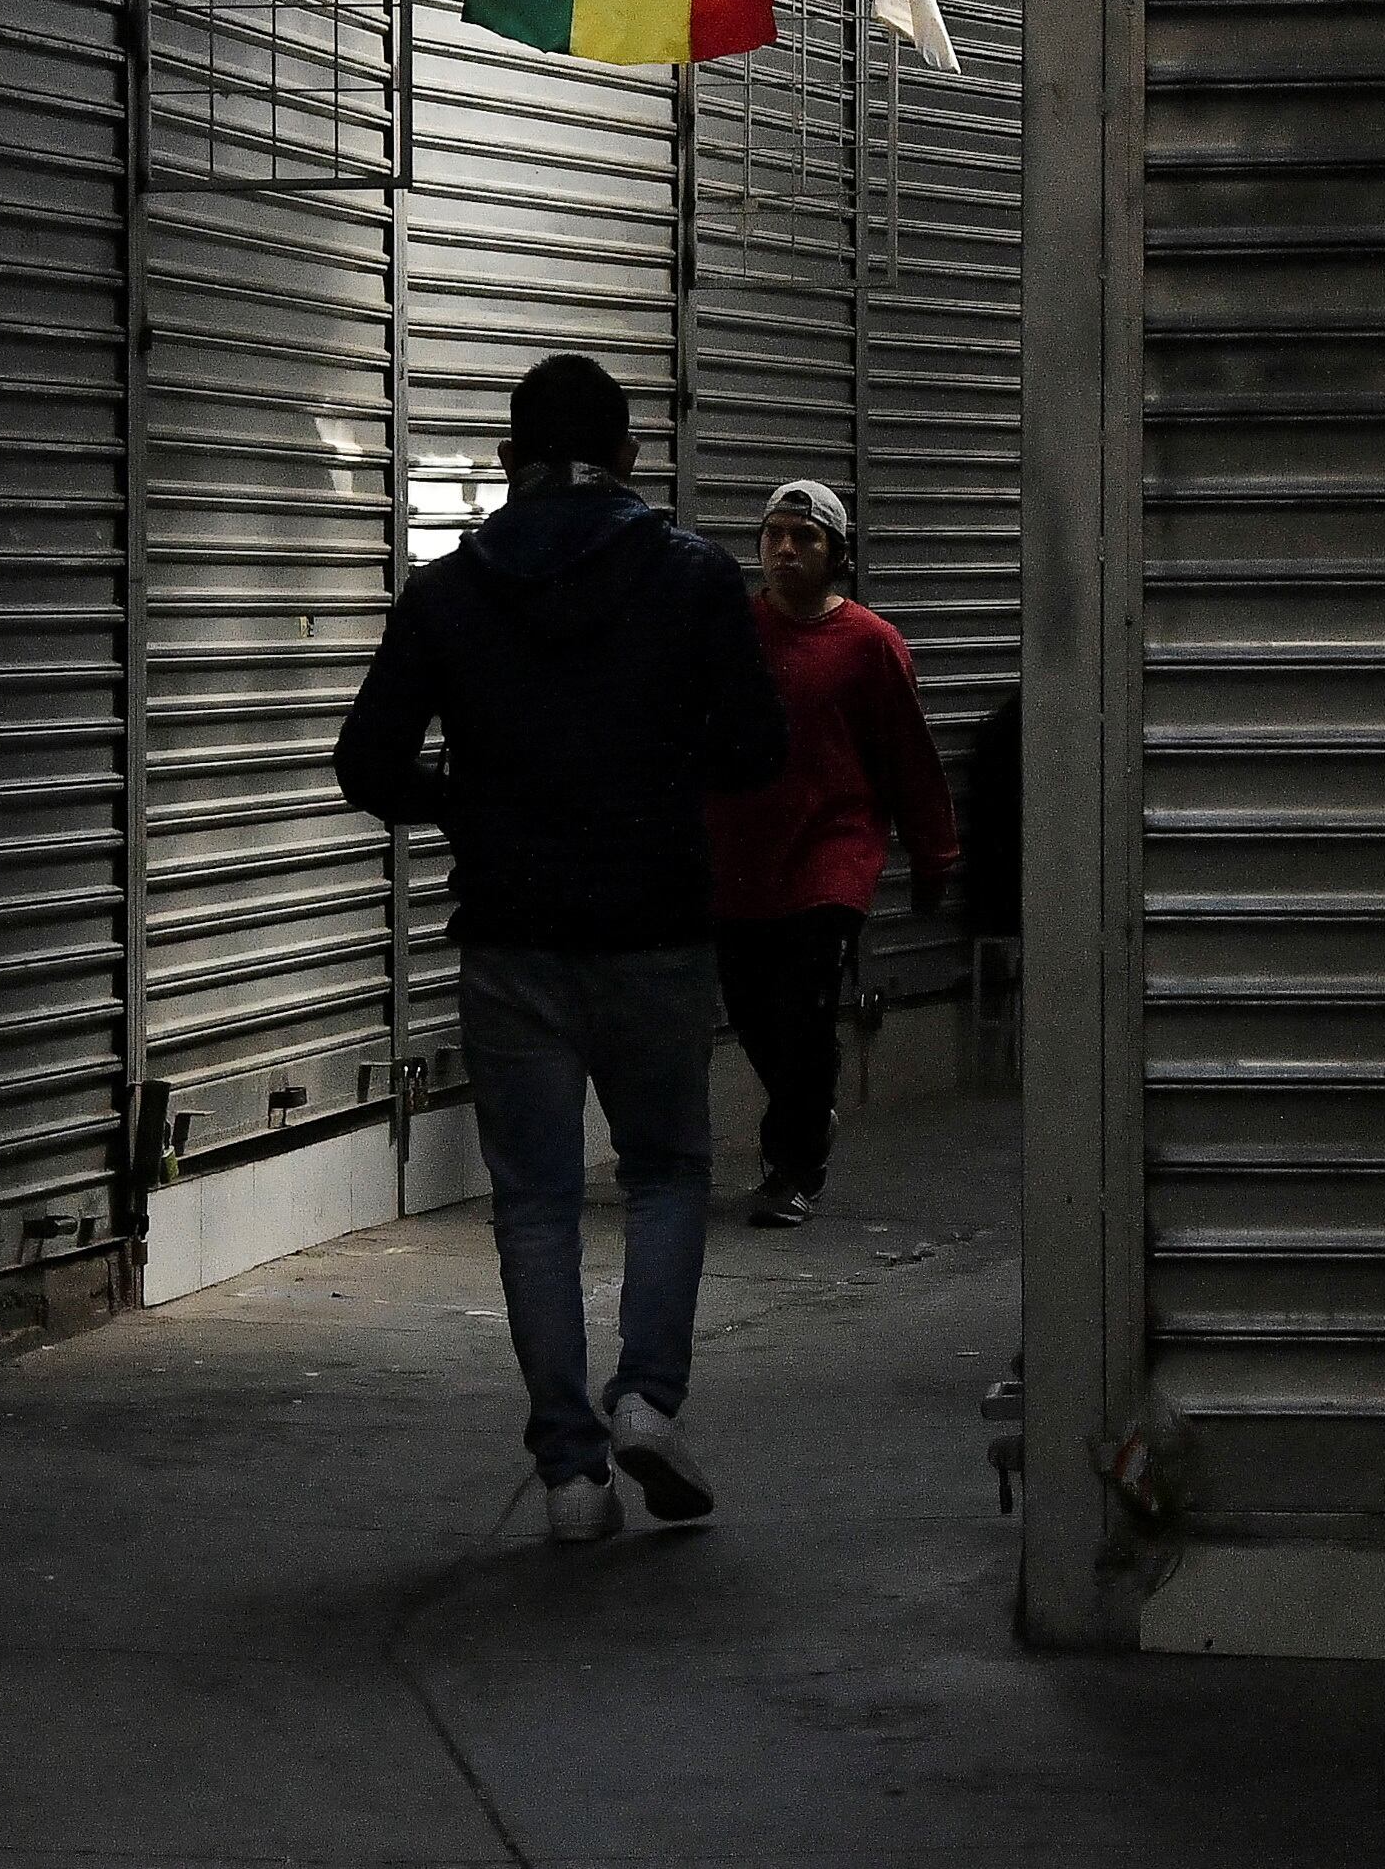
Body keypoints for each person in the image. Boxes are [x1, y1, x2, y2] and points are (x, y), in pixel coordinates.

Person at [335, 354, 788, 1542]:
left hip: (512, 934)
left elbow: (365, 765)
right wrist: (657, 779)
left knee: (534, 1204)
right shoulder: (692, 578)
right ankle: (646, 1397)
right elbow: (754, 750)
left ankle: (572, 1477)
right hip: (653, 927)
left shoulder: (447, 592)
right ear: (632, 458)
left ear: (506, 463)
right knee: (665, 1173)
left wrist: (473, 803)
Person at [707, 479, 959, 1229]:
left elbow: (908, 758)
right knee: (753, 1010)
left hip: (832, 858)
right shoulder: (733, 633)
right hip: (742, 858)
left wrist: (933, 853)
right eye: (773, 534)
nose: (785, 548)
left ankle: (792, 1166)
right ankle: (810, 1110)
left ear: (837, 553)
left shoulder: (870, 645)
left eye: (805, 536)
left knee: (805, 1008)